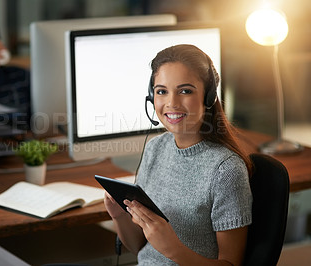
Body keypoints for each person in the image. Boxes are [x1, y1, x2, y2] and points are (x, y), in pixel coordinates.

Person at [104, 44, 253, 265]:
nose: (171, 103)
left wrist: (173, 249)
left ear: (208, 96)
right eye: (161, 91)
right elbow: (137, 247)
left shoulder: (226, 170)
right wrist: (118, 215)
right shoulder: (155, 148)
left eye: (185, 91)